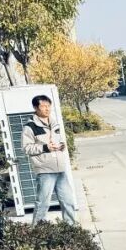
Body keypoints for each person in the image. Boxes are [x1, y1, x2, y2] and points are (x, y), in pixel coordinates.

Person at [21, 95, 77, 224]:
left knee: (68, 200)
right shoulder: (30, 127)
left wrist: (61, 145)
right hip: (45, 170)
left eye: (48, 106)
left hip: (60, 169)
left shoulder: (54, 123)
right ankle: (37, 230)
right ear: (36, 108)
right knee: (43, 203)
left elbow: (59, 140)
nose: (47, 109)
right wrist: (45, 147)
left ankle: (71, 228)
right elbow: (26, 148)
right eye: (43, 106)